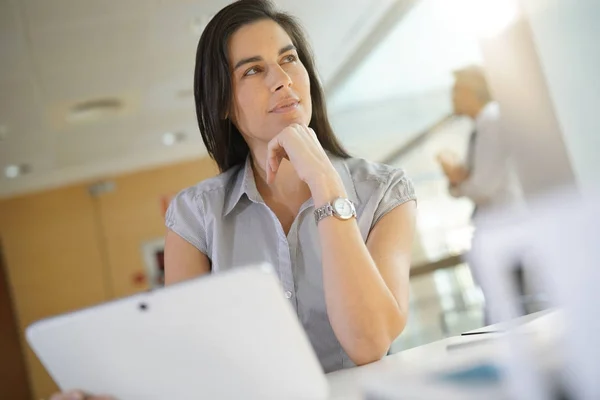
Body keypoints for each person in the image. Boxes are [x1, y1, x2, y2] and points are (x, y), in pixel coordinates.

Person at [50, 0, 416, 398]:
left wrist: (327, 185)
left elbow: (369, 343)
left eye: (288, 59)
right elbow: (190, 368)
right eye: (253, 70)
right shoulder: (195, 217)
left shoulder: (385, 193)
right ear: (224, 101)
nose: (282, 79)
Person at [436, 65, 522, 219]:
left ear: (469, 92)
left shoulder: (491, 121)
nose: (452, 98)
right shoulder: (483, 124)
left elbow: (483, 189)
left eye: (455, 90)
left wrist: (457, 176)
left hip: (504, 220)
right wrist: (458, 179)